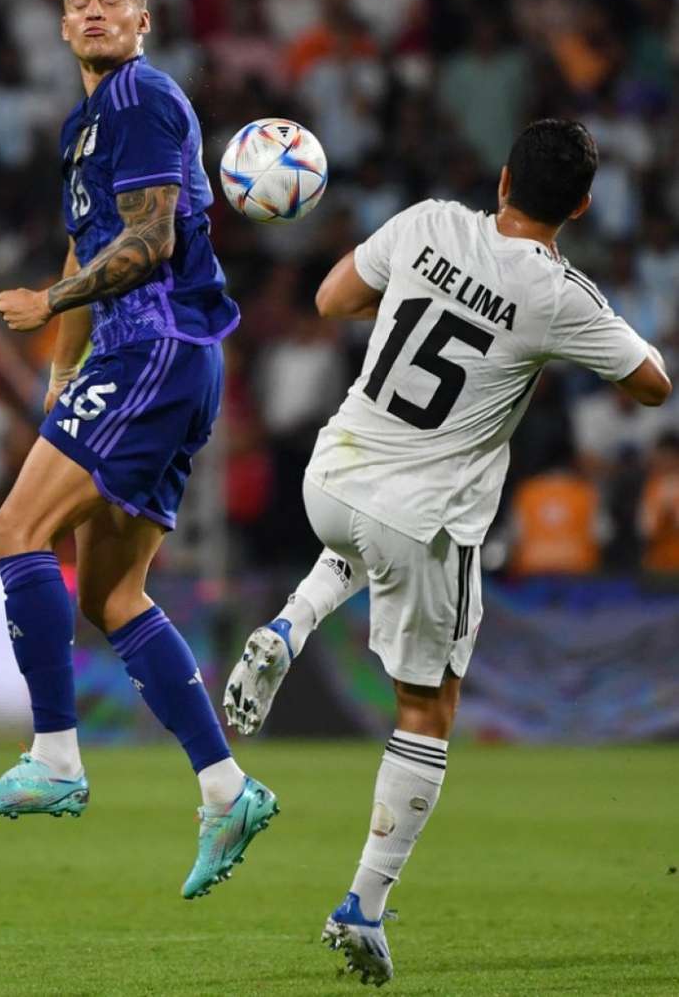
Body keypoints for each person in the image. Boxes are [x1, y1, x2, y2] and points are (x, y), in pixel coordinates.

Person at [224, 119, 671, 984]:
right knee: (428, 711)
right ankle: (362, 906)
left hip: (331, 480)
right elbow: (652, 385)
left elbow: (328, 301)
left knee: (363, 537)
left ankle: (290, 623)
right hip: (421, 520)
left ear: (501, 180)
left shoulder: (427, 222)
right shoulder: (559, 297)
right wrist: (561, 343)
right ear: (578, 205)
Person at [0, 0, 278, 900]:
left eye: (114, 0)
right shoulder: (88, 124)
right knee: (112, 598)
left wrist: (51, 303)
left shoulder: (142, 99)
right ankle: (226, 786)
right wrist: (60, 374)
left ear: (144, 21)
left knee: (14, 531)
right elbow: (88, 235)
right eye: (79, 1)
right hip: (160, 363)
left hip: (155, 349)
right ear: (60, 27)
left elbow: (148, 242)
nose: (94, 11)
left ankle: (54, 758)